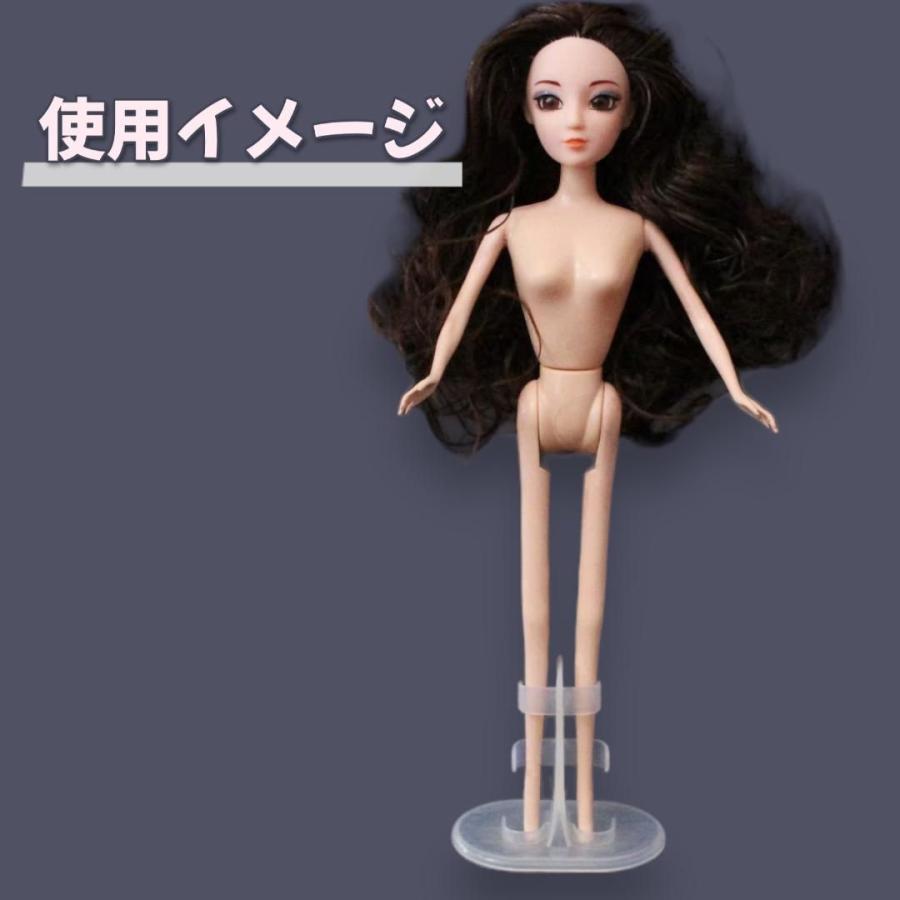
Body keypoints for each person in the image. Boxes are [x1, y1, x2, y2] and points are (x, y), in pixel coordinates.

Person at [369, 1, 838, 834]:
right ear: (525, 113)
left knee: (588, 610)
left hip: (600, 402)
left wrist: (735, 387)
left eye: (602, 100)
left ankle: (582, 811)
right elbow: (463, 309)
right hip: (540, 398)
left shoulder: (636, 229)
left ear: (631, 115)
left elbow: (696, 313)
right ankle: (530, 807)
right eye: (550, 100)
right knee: (535, 610)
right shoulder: (512, 226)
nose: (576, 121)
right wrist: (435, 372)